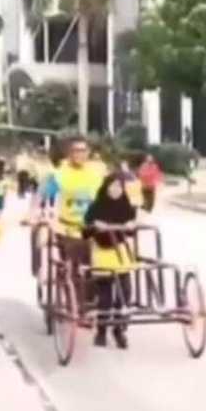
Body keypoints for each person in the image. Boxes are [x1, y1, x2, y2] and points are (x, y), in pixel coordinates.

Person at [36, 137, 106, 312]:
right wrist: (35, 213)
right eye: (76, 150)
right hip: (68, 228)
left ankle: (92, 302)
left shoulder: (96, 172)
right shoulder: (60, 173)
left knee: (99, 265)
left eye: (83, 150)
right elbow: (42, 194)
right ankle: (78, 305)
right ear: (69, 153)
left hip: (93, 227)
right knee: (75, 266)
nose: (80, 154)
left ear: (88, 153)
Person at [84, 174, 139, 349]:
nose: (116, 190)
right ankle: (101, 331)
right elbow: (85, 230)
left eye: (119, 187)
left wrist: (131, 225)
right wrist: (95, 225)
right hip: (102, 252)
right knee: (105, 295)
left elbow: (132, 228)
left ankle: (119, 330)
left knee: (125, 293)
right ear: (106, 187)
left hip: (121, 253)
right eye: (112, 186)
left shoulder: (126, 206)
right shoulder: (96, 206)